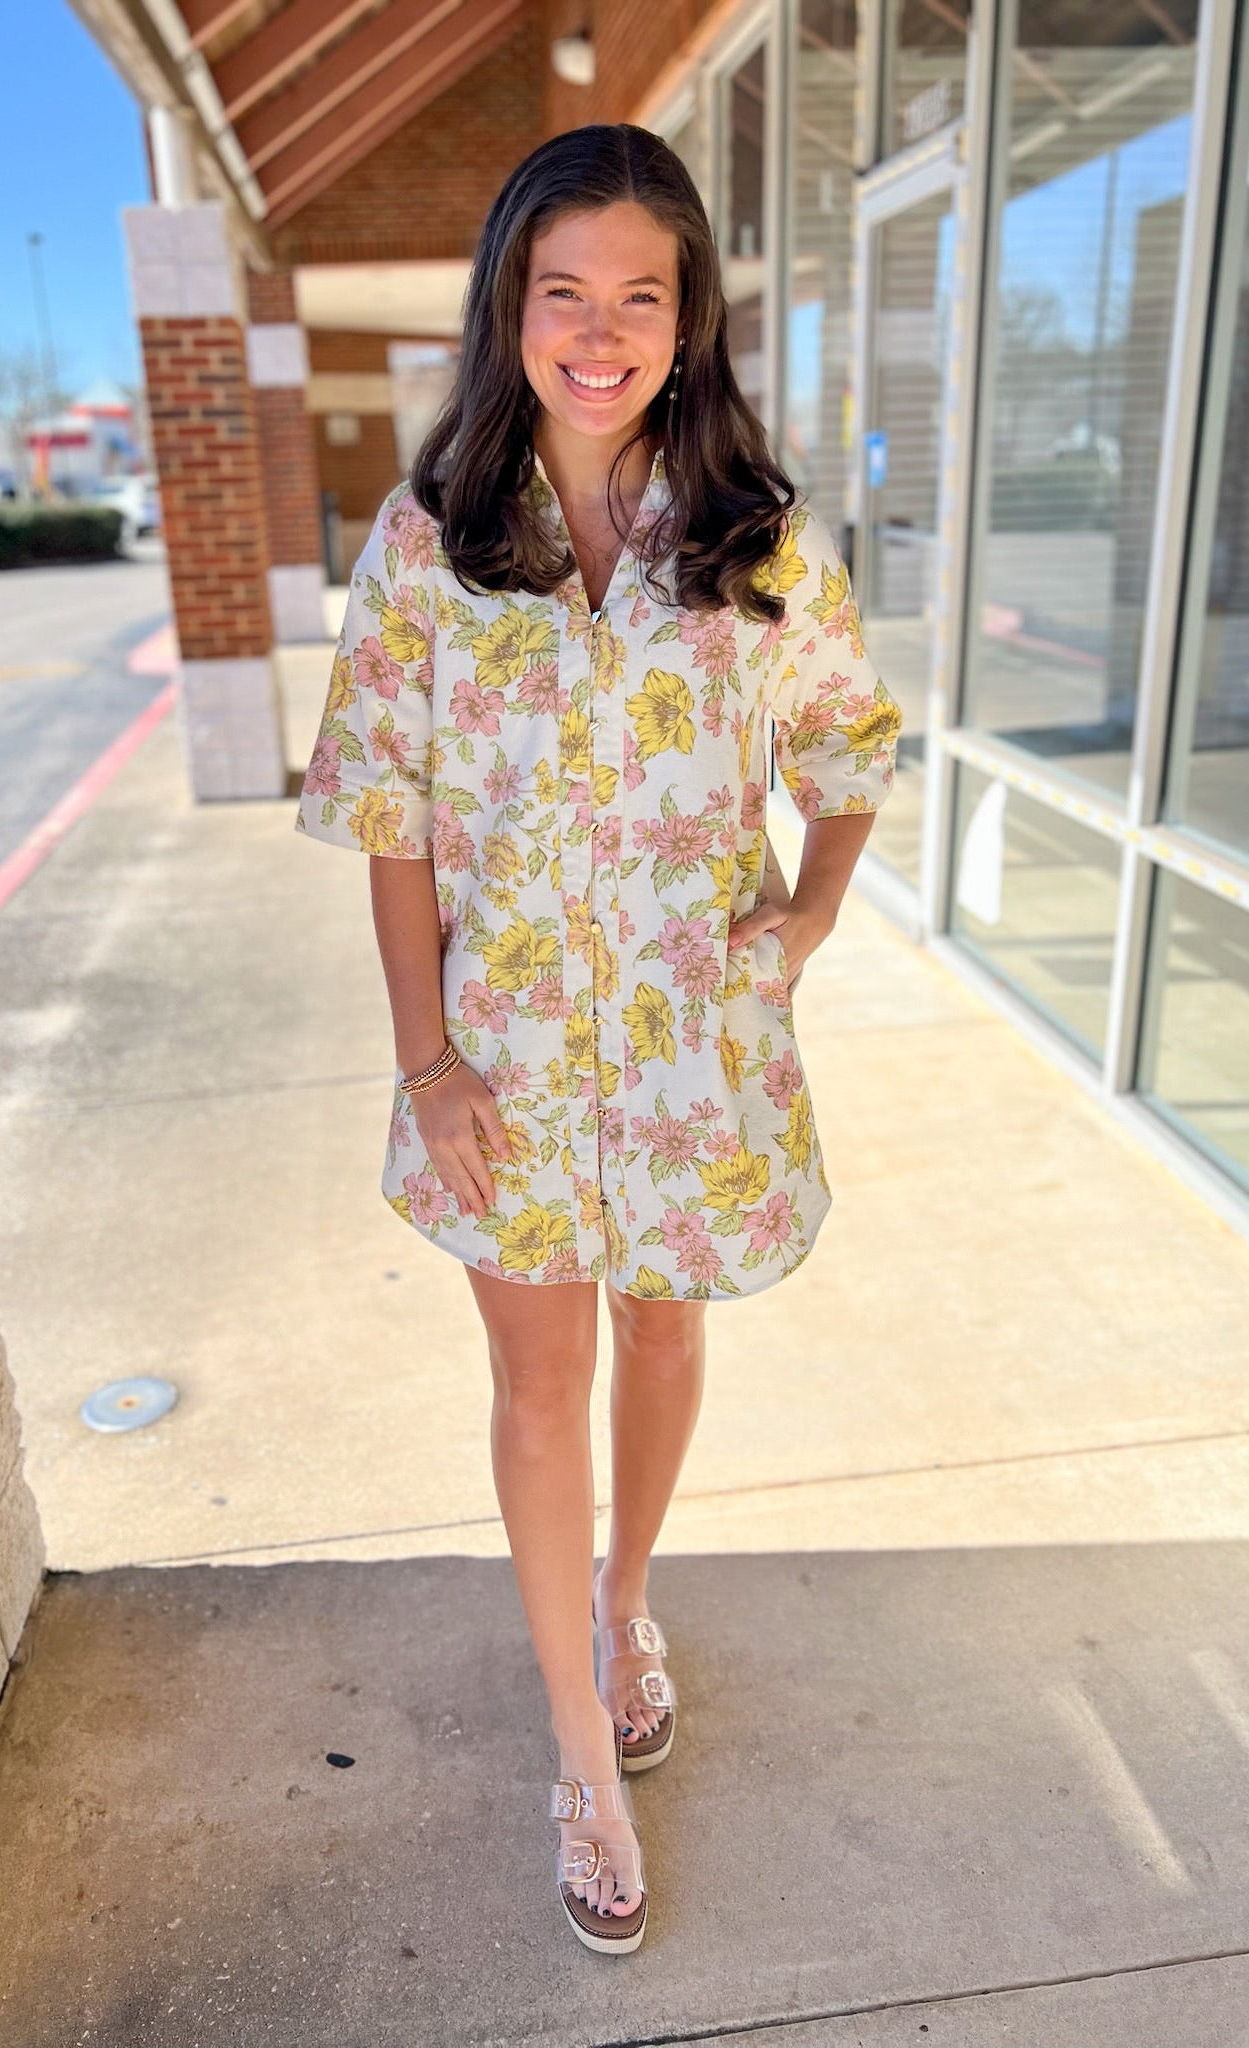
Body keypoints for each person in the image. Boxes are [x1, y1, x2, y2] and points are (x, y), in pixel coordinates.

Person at [295, 123, 902, 1955]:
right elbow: (388, 818)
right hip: (503, 1067)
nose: (599, 328)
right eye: (563, 291)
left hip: (690, 1061)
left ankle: (627, 1599)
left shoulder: (754, 536)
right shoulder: (430, 544)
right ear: (510, 303)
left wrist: (801, 918)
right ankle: (576, 1744)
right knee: (537, 1379)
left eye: (640, 294)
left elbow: (851, 752)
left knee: (661, 1332)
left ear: (686, 317)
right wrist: (428, 1063)